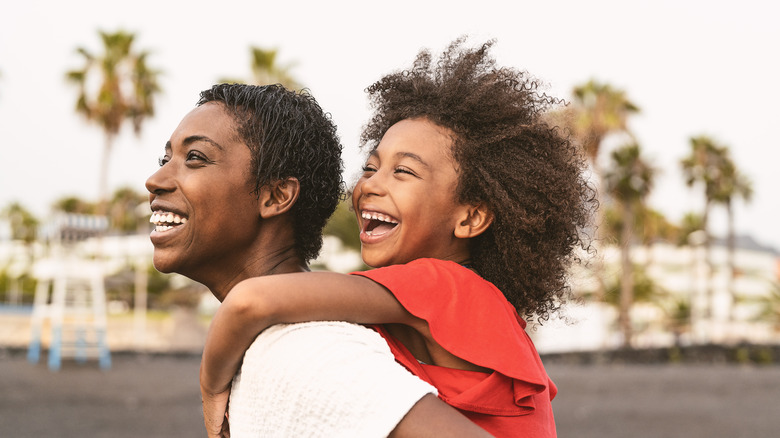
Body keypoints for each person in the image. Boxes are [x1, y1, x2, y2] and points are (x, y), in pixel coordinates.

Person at [201, 38, 595, 437]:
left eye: (403, 172)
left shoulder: (442, 285)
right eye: (371, 168)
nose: (370, 185)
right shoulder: (460, 301)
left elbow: (250, 302)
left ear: (471, 216)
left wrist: (212, 387)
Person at [145, 83, 492, 438]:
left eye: (195, 158)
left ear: (277, 195)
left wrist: (210, 384)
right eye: (165, 159)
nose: (154, 180)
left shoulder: (314, 356)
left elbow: (248, 303)